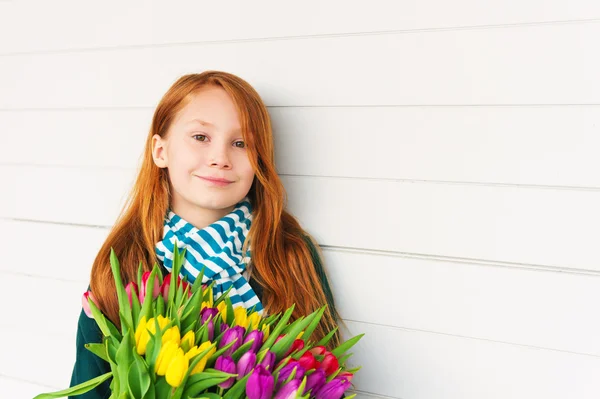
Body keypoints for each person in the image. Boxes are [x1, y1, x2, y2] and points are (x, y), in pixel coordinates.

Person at [69, 71, 345, 399]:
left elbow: (323, 378)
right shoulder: (125, 265)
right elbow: (87, 390)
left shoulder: (288, 255)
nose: (220, 158)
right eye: (200, 137)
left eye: (241, 143)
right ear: (160, 150)